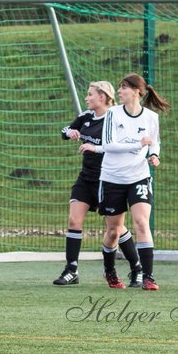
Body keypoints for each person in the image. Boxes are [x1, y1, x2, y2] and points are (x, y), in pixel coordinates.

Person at [80, 73, 170, 291]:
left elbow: (154, 142)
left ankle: (148, 277)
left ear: (136, 92)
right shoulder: (112, 114)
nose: (119, 92)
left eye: (123, 88)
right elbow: (109, 144)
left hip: (138, 176)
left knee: (141, 222)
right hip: (112, 178)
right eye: (119, 88)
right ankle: (109, 271)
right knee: (114, 231)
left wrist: (154, 155)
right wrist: (138, 144)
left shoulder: (150, 117)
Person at [54, 81, 139, 289]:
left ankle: (137, 267)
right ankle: (71, 270)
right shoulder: (86, 116)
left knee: (115, 229)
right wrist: (70, 133)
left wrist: (96, 147)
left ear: (102, 97)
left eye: (90, 94)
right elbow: (65, 130)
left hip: (109, 180)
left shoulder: (116, 119)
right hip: (86, 179)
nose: (86, 98)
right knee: (74, 220)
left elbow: (123, 145)